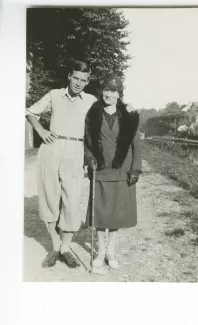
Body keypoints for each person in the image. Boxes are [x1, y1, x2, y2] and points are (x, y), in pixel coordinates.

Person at [26, 61, 134, 269]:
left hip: (76, 150)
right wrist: (40, 130)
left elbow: (111, 107)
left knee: (72, 200)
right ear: (69, 76)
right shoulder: (54, 95)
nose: (78, 83)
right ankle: (55, 246)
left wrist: (127, 106)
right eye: (76, 78)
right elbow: (31, 112)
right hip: (52, 147)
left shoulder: (91, 100)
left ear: (87, 82)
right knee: (49, 197)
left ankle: (66, 248)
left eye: (83, 80)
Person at [84, 75, 142, 269]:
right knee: (100, 214)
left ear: (120, 94)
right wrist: (90, 158)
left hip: (121, 170)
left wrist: (135, 168)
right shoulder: (93, 113)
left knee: (115, 214)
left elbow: (136, 146)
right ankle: (100, 252)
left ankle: (111, 252)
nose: (108, 94)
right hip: (100, 169)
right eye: (106, 90)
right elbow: (87, 141)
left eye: (113, 90)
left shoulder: (129, 115)